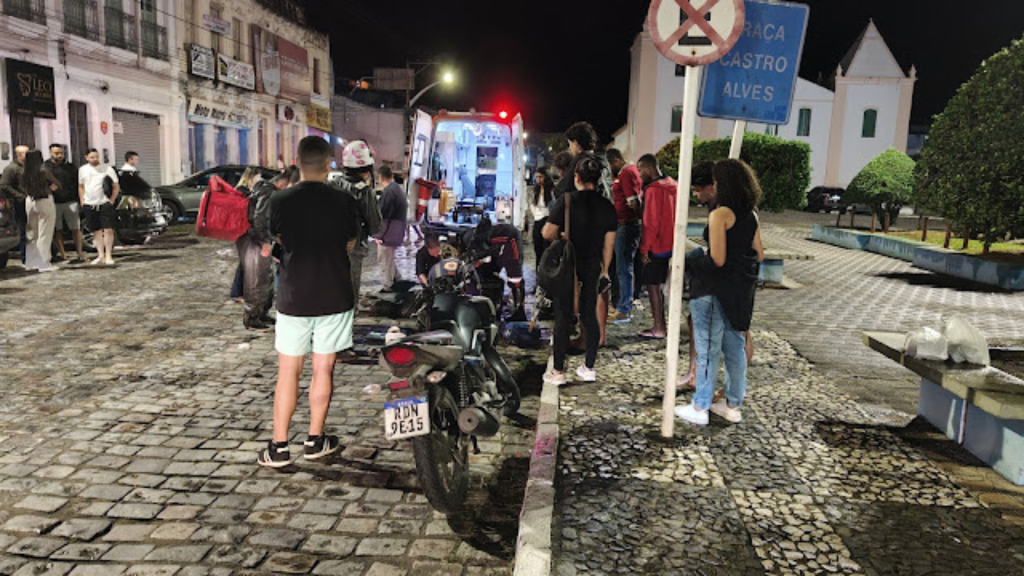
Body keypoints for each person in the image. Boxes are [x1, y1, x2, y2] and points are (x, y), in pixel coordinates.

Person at [258, 136, 360, 468]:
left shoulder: (281, 199)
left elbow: (276, 241)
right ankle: (315, 440)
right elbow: (350, 243)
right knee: (323, 368)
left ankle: (279, 447)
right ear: (329, 162)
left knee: (288, 371)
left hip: (294, 294)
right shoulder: (344, 201)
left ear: (297, 161)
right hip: (333, 293)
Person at [676, 159, 764, 426]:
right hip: (739, 293)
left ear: (721, 183)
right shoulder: (751, 214)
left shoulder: (719, 215)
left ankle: (700, 406)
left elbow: (717, 259)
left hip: (712, 291)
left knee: (707, 350)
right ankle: (732, 404)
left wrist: (689, 260)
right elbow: (759, 254)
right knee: (735, 348)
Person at [542, 154, 617, 385]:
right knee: (588, 314)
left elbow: (546, 233)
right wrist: (604, 271)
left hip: (569, 265)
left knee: (563, 315)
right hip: (592, 264)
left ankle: (557, 372)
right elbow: (609, 245)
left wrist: (563, 234)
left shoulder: (566, 201)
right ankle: (589, 367)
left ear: (576, 177)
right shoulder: (607, 207)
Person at [239, 166, 298, 332]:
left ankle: (262, 313)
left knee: (266, 278)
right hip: (254, 241)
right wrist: (264, 241)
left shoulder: (266, 190)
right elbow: (260, 219)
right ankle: (252, 318)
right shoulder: (268, 192)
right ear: (284, 182)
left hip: (257, 239)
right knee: (256, 280)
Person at [330, 140, 382, 302]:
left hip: (329, 247)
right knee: (349, 291)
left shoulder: (332, 185)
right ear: (366, 169)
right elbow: (375, 227)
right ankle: (347, 323)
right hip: (353, 248)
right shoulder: (365, 192)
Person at [636, 154, 677, 340]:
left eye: (640, 170)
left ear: (650, 168)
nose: (639, 174)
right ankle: (665, 325)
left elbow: (650, 222)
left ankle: (659, 327)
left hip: (657, 245)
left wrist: (644, 248)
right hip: (672, 243)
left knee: (653, 286)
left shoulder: (653, 190)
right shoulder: (673, 185)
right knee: (664, 287)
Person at [606, 149, 643, 324]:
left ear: (617, 160)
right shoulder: (625, 173)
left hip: (626, 226)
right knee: (620, 267)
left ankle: (624, 308)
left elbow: (633, 202)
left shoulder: (627, 173)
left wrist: (633, 219)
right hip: (622, 225)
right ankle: (620, 303)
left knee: (624, 268)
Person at [466, 218, 527, 322]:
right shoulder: (477, 237)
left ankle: (519, 311)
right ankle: (498, 302)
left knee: (515, 278)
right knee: (490, 273)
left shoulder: (482, 238)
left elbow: (484, 253)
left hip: (511, 241)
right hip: (498, 246)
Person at [78, 148, 119, 265]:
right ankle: (100, 254)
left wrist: (111, 200)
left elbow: (115, 185)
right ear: (86, 158)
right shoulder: (82, 170)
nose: (94, 159)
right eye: (92, 157)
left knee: (108, 229)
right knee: (95, 231)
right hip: (89, 203)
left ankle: (109, 255)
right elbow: (81, 186)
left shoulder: (107, 169)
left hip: (104, 202)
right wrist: (82, 200)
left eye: (96, 156)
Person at [45, 144, 85, 263]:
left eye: (61, 153)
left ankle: (80, 253)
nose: (59, 155)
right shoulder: (45, 167)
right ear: (51, 153)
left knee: (75, 228)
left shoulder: (71, 167)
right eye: (56, 153)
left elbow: (78, 184)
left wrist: (79, 200)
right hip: (54, 202)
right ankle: (63, 254)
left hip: (70, 201)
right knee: (58, 229)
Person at [21, 150, 60, 272]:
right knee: (45, 233)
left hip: (29, 201)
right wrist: (51, 187)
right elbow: (57, 184)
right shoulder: (43, 171)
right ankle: (43, 263)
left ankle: (30, 262)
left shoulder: (23, 172)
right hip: (44, 199)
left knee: (33, 234)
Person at [374, 164, 407, 292]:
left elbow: (383, 216)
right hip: (397, 230)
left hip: (389, 232)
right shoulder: (398, 189)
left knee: (384, 259)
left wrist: (379, 235)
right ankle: (398, 279)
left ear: (380, 177)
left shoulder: (388, 192)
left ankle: (388, 287)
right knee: (389, 259)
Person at [0, 145, 29, 264]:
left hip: (30, 202)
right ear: (19, 155)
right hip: (19, 204)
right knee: (23, 231)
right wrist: (19, 196)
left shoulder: (28, 167)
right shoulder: (11, 168)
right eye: (26, 154)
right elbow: (4, 185)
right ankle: (25, 258)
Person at [529, 167, 555, 278]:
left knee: (546, 250)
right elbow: (532, 204)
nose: (539, 179)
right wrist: (535, 215)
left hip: (547, 219)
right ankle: (538, 274)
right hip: (537, 220)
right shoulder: (535, 190)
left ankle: (546, 275)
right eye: (537, 177)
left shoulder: (551, 190)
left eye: (541, 177)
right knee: (537, 249)